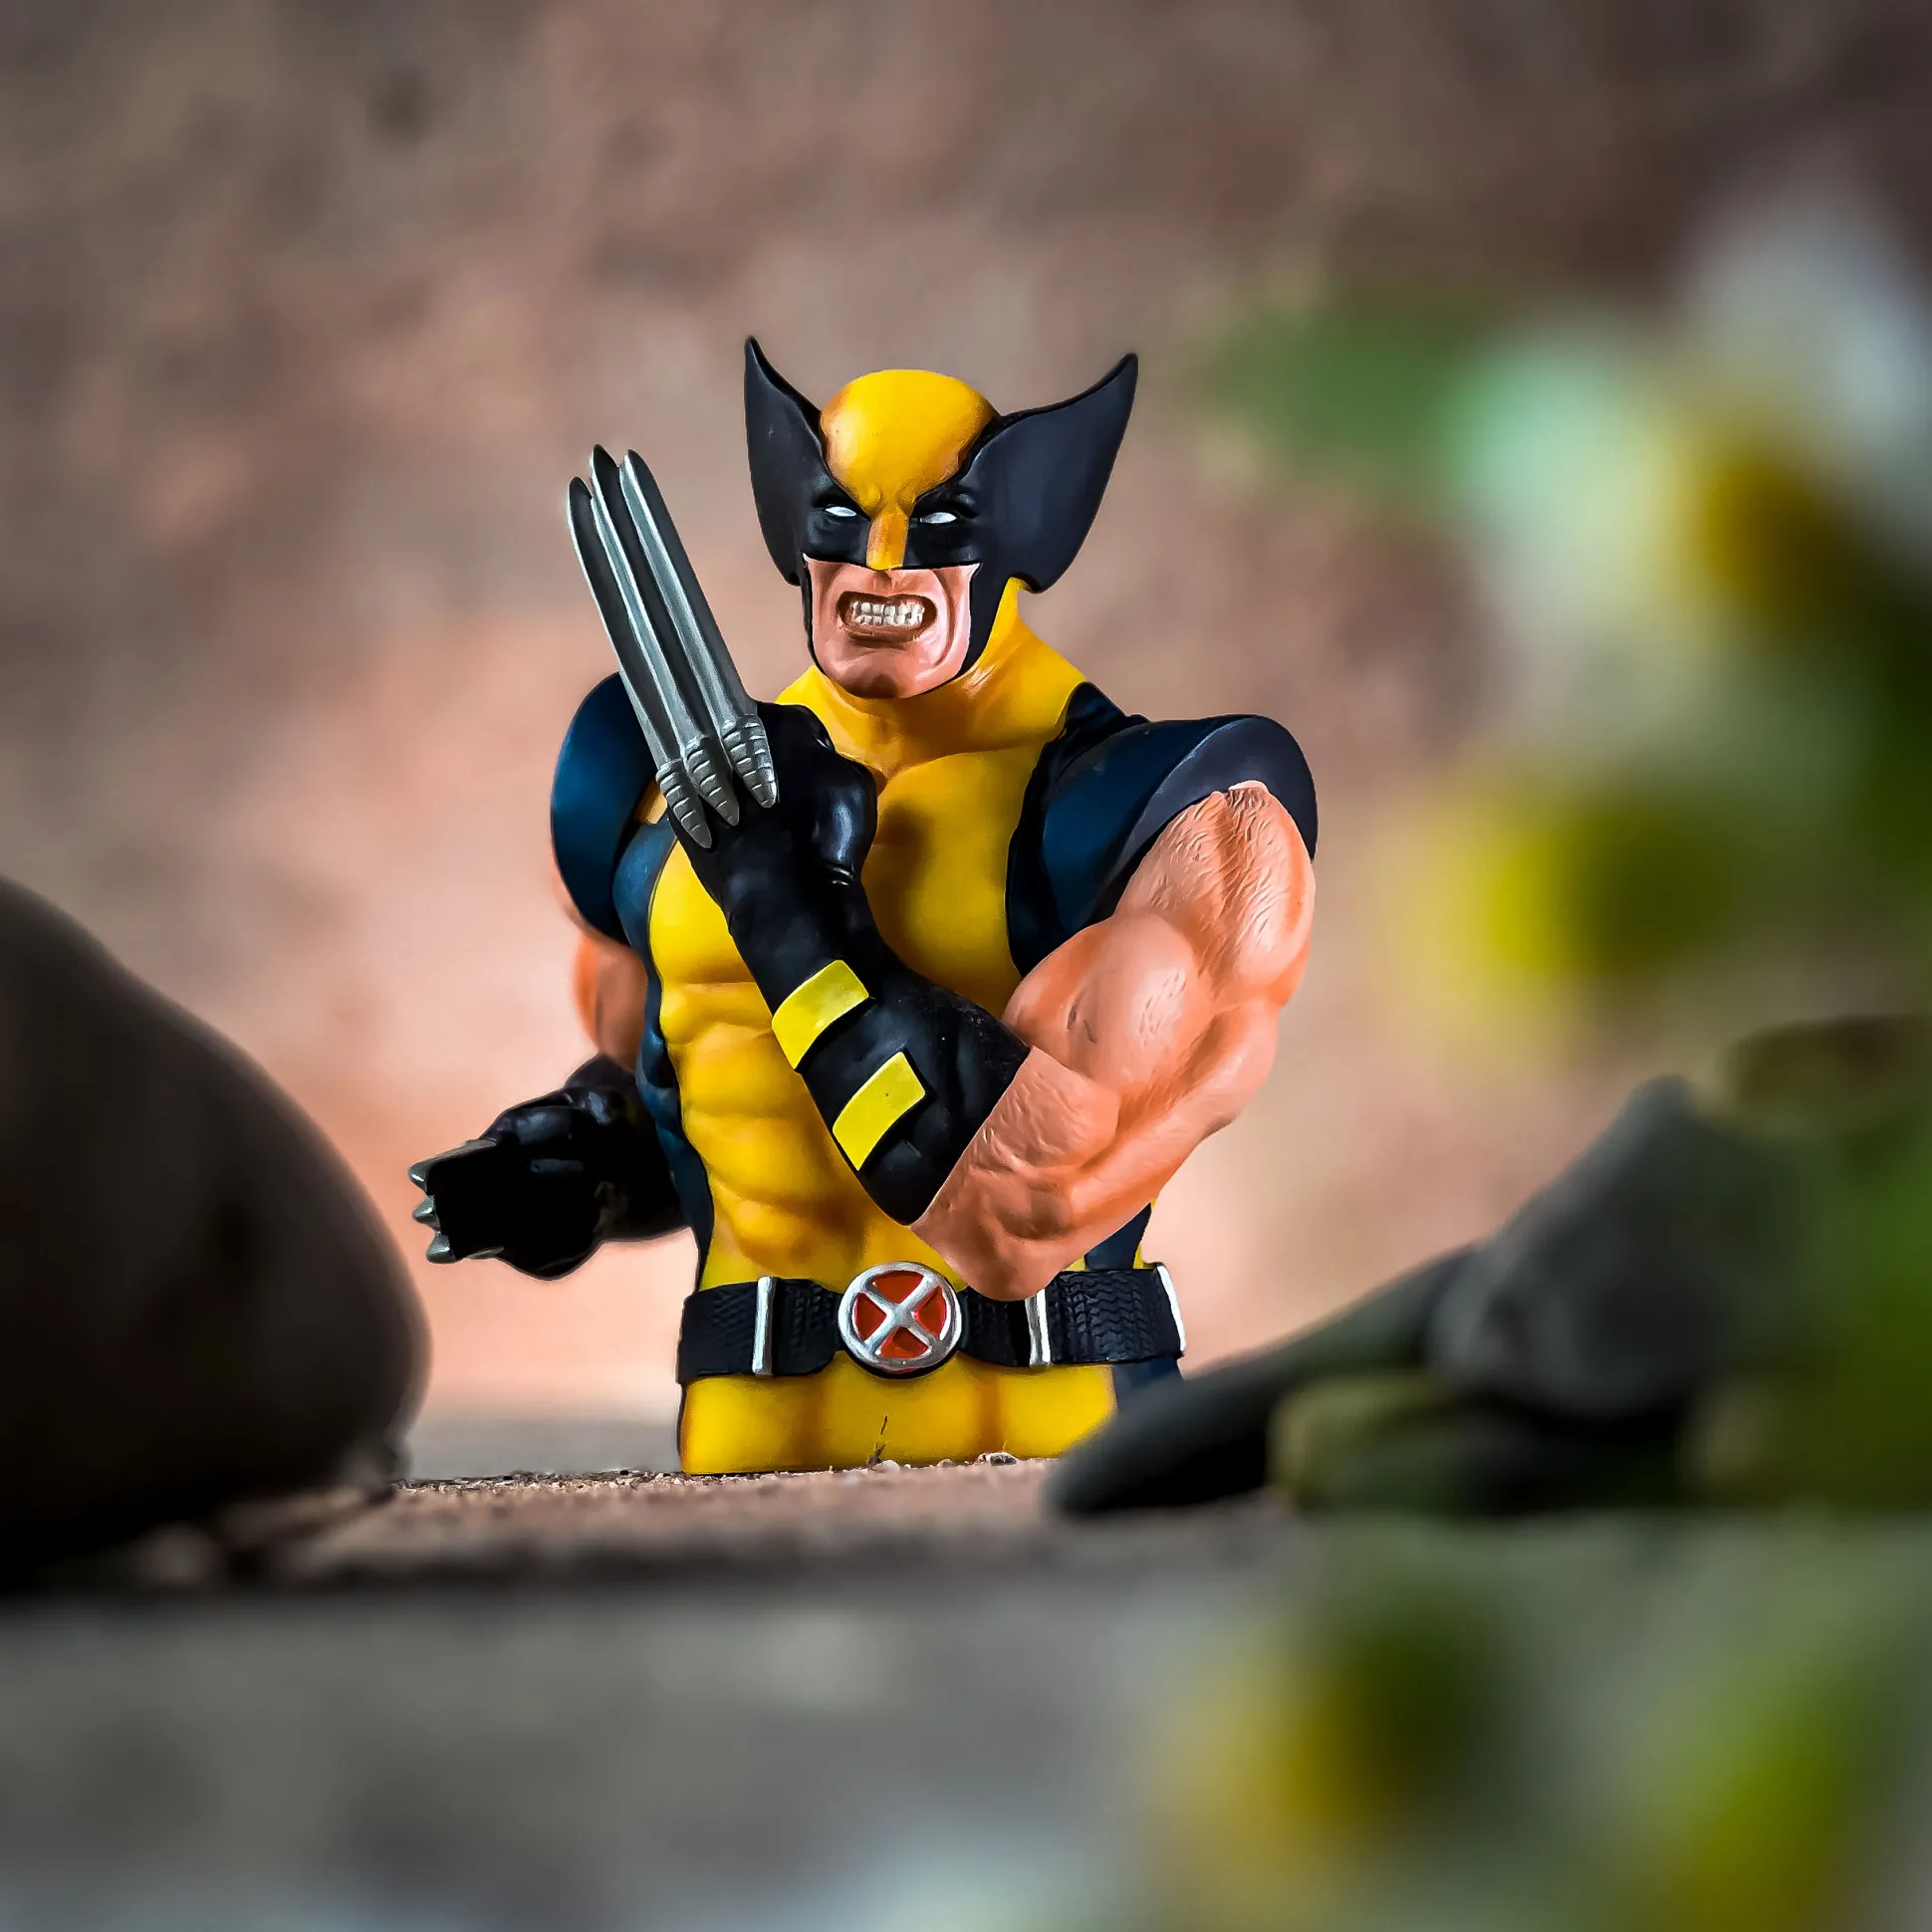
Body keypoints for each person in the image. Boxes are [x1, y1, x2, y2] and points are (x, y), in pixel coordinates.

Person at [412, 343, 1317, 1475]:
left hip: (1046, 1451)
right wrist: (585, 1163)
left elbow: (1019, 1208)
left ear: (1025, 534)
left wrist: (790, 915)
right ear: (795, 530)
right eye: (844, 522)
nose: (881, 564)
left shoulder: (1172, 815)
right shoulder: (649, 786)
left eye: (937, 529)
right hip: (741, 1448)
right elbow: (697, 1092)